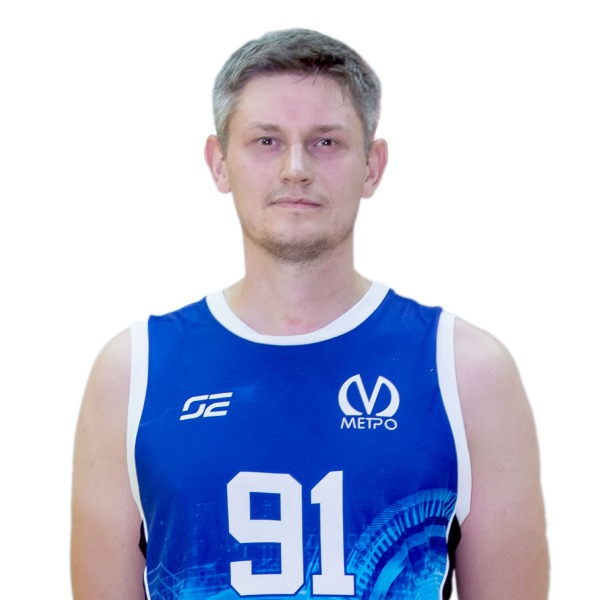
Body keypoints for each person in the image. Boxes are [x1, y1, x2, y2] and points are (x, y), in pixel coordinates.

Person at [71, 28, 549, 599]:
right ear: (219, 162)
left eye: (326, 142)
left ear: (372, 165)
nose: (295, 168)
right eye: (266, 141)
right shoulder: (133, 373)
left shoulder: (467, 373)